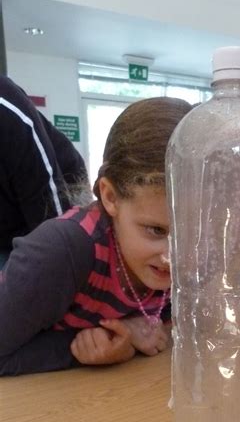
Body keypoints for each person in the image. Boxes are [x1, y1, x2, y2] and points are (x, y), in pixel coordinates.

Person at [0, 97, 191, 376]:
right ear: (110, 196)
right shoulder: (60, 252)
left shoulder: (198, 250)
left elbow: (170, 320)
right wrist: (98, 346)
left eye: (191, 234)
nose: (173, 257)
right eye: (156, 230)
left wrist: (146, 328)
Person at [0, 75, 88, 268]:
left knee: (57, 263)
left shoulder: (6, 103)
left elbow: (45, 188)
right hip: (7, 217)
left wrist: (61, 260)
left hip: (56, 191)